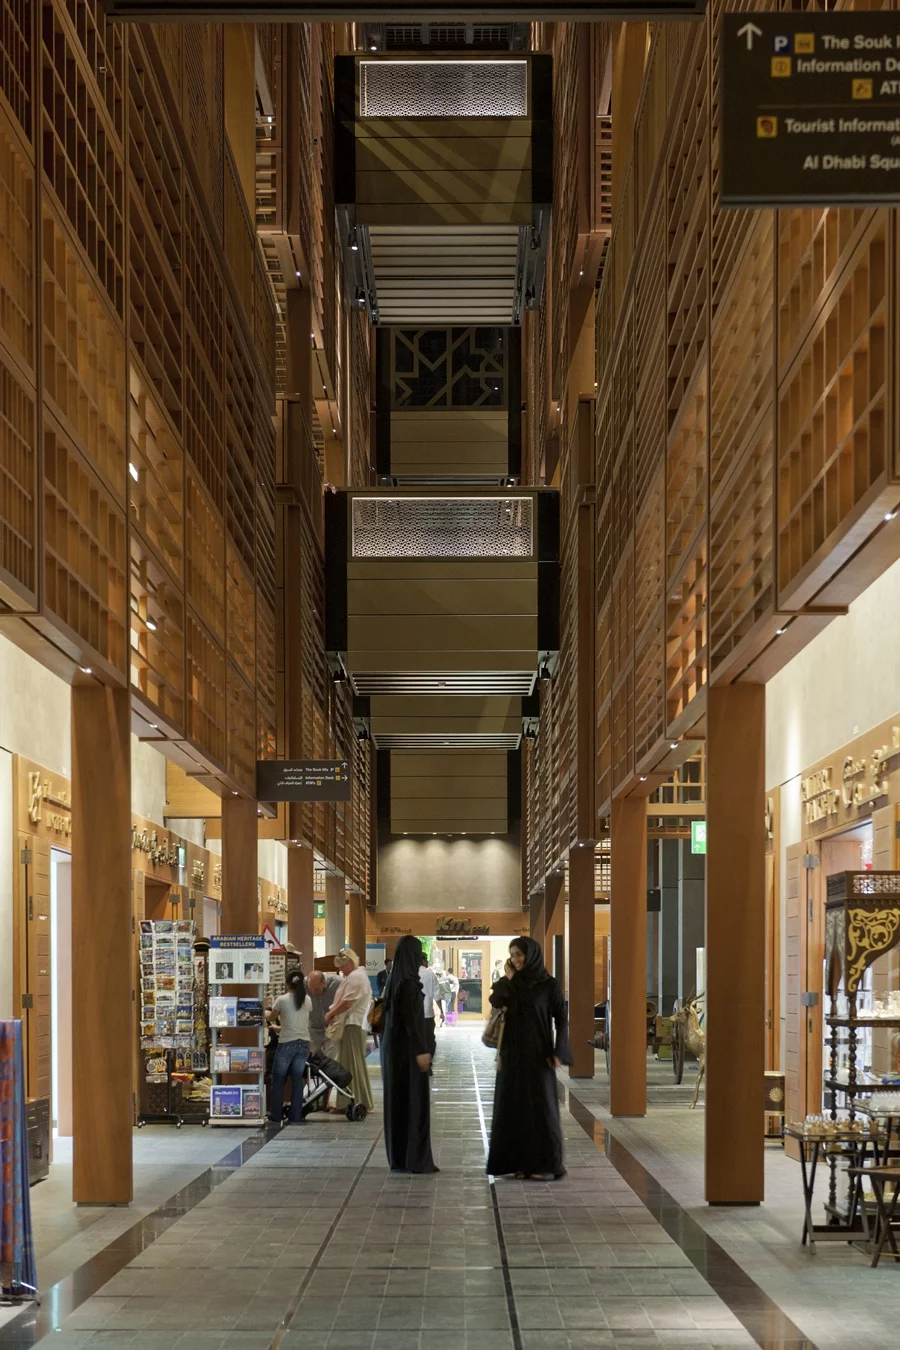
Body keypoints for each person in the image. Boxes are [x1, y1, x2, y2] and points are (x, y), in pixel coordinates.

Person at [486, 936, 571, 1180]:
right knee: (513, 1109)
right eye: (513, 955)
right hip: (511, 1055)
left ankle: (546, 1165)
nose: (516, 959)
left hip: (538, 1055)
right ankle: (519, 1163)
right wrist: (509, 978)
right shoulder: (509, 982)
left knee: (542, 1109)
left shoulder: (549, 984)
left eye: (520, 955)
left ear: (531, 955)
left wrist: (559, 1050)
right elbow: (496, 1000)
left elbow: (561, 1019)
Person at [381, 935, 437, 1173]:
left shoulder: (394, 981)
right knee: (414, 1103)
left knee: (397, 1103)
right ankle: (415, 1158)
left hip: (392, 1051)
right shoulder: (410, 985)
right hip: (409, 1054)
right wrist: (421, 1051)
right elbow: (412, 1024)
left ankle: (399, 1157)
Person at [325, 948, 374, 1112]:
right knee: (353, 1062)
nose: (340, 970)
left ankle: (348, 1102)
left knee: (349, 1063)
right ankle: (360, 1100)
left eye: (342, 966)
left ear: (350, 963)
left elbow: (347, 1002)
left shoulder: (356, 978)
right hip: (355, 1024)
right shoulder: (359, 976)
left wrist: (330, 1013)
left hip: (351, 1024)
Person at [267, 969, 312, 1125]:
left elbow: (272, 1017)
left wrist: (264, 1011)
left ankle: (275, 1115)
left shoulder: (282, 1000)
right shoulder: (307, 1000)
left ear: (287, 983)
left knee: (279, 1080)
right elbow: (298, 1021)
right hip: (304, 1043)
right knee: (297, 1080)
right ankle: (296, 1116)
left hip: (286, 1043)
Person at [306, 970, 341, 1058]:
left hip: (332, 1029)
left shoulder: (338, 983)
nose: (313, 993)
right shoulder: (302, 984)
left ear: (324, 983)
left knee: (331, 1061)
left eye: (316, 989)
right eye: (310, 989)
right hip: (313, 1029)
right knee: (312, 1060)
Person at [419, 953, 444, 1068]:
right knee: (429, 1040)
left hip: (413, 1015)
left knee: (416, 1040)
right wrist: (442, 1011)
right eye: (427, 960)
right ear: (423, 960)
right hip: (427, 1013)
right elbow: (437, 996)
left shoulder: (409, 973)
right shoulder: (430, 975)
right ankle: (427, 1064)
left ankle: (418, 1065)